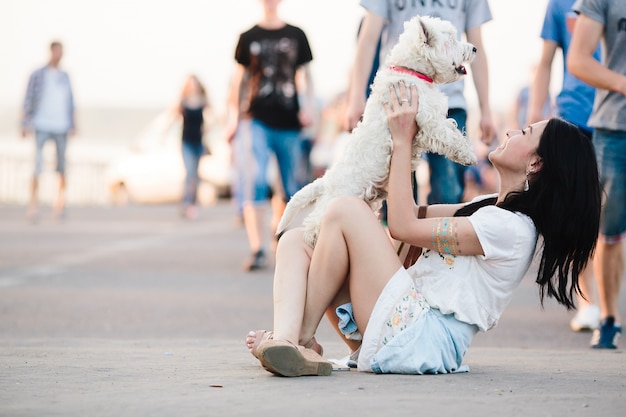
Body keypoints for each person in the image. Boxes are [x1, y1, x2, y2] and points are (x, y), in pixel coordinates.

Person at [245, 81, 602, 377]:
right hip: (401, 325)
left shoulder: (512, 228)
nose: (512, 130)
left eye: (525, 131)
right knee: (297, 239)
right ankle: (286, 342)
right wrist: (396, 141)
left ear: (536, 163)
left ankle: (301, 342)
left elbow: (401, 225)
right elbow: (412, 211)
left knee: (345, 212)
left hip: (420, 338)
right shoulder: (490, 207)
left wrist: (403, 139)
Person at [343, 0, 496, 205]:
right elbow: (368, 39)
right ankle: (397, 238)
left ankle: (434, 237)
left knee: (449, 192)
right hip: (399, 96)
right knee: (394, 193)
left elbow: (477, 48)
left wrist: (486, 109)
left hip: (451, 102)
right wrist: (355, 98)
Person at [528, 0, 602, 333]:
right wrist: (534, 117)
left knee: (611, 215)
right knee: (579, 211)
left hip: (616, 115)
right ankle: (590, 302)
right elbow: (545, 63)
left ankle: (607, 302)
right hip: (573, 118)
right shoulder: (558, 5)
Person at [225, 0, 315, 271]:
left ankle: (279, 234)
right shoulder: (248, 37)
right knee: (255, 177)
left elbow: (307, 76)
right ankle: (257, 248)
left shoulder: (297, 34)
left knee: (289, 185)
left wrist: (309, 108)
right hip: (255, 118)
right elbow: (238, 80)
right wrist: (233, 118)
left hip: (289, 120)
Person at [568, 0, 626, 349]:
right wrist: (622, 83)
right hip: (615, 128)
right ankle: (609, 318)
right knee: (610, 230)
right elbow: (578, 59)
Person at [21, 40, 75, 223]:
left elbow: (71, 102)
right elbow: (27, 98)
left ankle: (60, 206)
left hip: (61, 126)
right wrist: (24, 123)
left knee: (62, 168)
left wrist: (73, 124)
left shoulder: (65, 76)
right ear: (51, 52)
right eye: (57, 52)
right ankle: (33, 206)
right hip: (41, 124)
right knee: (37, 167)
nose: (59, 55)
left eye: (62, 52)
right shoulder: (38, 75)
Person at [172, 74, 211, 220]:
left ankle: (192, 203)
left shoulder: (203, 101)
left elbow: (212, 116)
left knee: (195, 175)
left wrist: (208, 127)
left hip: (199, 142)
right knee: (189, 173)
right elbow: (173, 115)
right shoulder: (183, 101)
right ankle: (186, 203)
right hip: (186, 142)